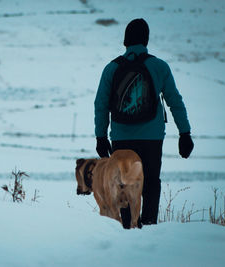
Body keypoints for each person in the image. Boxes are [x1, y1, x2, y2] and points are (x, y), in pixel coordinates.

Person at [94, 18, 194, 226]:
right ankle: (149, 227)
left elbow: (101, 105)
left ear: (125, 41)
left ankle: (129, 228)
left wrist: (101, 137)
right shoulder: (159, 66)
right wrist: (184, 133)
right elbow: (175, 101)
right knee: (150, 184)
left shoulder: (111, 69)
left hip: (121, 138)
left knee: (124, 185)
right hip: (152, 137)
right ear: (146, 40)